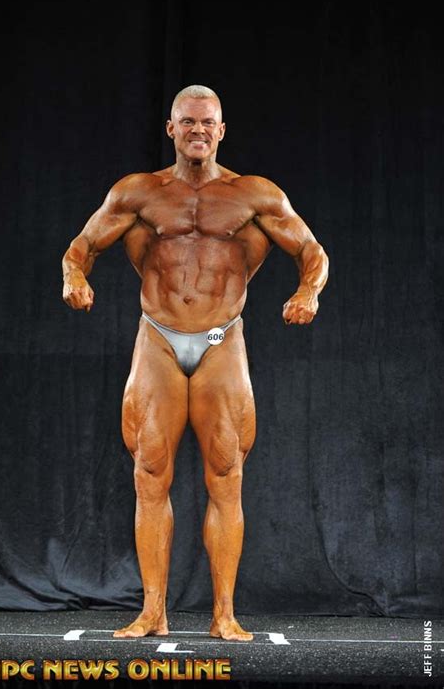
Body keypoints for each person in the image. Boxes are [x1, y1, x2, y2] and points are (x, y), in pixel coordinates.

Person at [62, 85, 329, 641]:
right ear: (171, 128)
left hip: (220, 339)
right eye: (188, 122)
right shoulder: (139, 192)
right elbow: (81, 246)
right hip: (158, 339)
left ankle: (224, 614)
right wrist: (74, 277)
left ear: (222, 130)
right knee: (149, 474)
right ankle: (152, 612)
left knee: (227, 477)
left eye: (208, 123)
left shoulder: (253, 195)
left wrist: (308, 291)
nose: (198, 131)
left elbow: (312, 251)